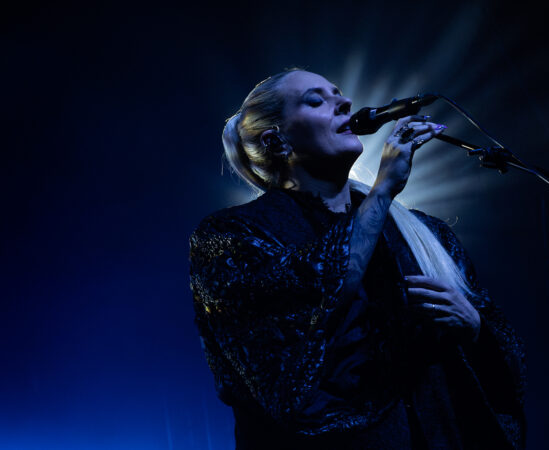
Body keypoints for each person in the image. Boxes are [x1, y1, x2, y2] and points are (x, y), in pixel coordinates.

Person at [188, 68, 526, 449]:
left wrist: (476, 328)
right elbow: (291, 354)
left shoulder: (423, 232)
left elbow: (504, 368)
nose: (345, 103)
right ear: (276, 140)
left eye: (339, 94)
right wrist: (382, 191)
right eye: (316, 100)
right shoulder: (232, 236)